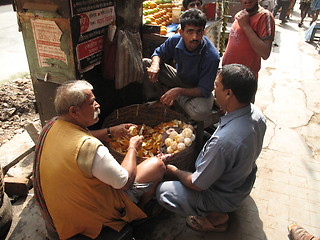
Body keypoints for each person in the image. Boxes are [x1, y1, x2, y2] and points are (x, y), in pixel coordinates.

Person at [33, 80, 167, 240]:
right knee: (157, 165)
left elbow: (80, 137)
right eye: (91, 103)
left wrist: (110, 132)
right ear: (74, 111)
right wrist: (132, 147)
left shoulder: (52, 126)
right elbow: (124, 182)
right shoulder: (91, 148)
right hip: (92, 215)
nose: (97, 105)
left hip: (63, 209)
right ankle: (141, 212)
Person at [156, 64, 267, 232]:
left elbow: (197, 184)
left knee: (163, 192)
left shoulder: (223, 142)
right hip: (243, 182)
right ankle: (224, 204)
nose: (213, 90)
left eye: (216, 86)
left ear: (229, 93)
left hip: (223, 195)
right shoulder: (257, 115)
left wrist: (173, 171)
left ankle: (214, 217)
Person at [143, 9, 220, 128]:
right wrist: (155, 65)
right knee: (146, 64)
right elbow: (158, 53)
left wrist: (177, 92)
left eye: (199, 32)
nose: (195, 37)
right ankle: (159, 99)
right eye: (190, 32)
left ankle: (172, 100)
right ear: (181, 32)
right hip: (178, 78)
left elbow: (204, 90)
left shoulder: (212, 56)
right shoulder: (175, 40)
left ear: (203, 32)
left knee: (200, 112)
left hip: (197, 89)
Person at [222, 0, 275, 80]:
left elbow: (265, 53)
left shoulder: (264, 16)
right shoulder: (241, 15)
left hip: (244, 80)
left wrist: (246, 27)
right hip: (227, 74)